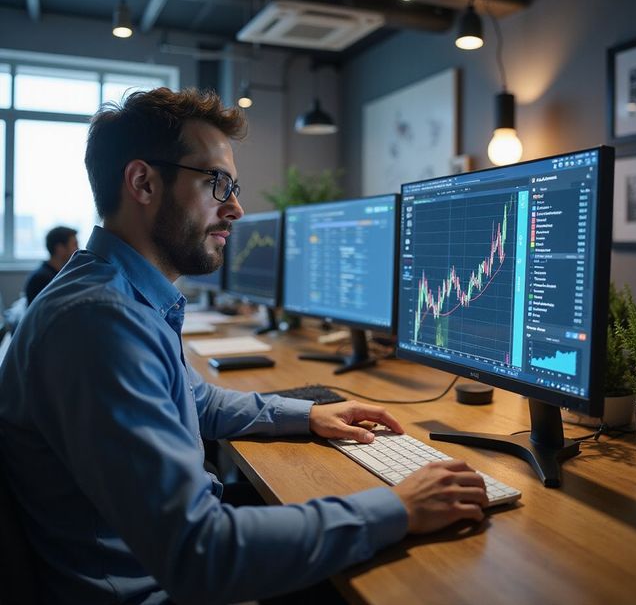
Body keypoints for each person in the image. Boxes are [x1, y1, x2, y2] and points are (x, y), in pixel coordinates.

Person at [0, 88, 488, 605]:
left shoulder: (116, 295)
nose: (236, 207)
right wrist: (400, 508)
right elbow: (201, 554)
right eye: (218, 183)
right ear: (143, 182)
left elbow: (195, 399)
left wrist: (308, 414)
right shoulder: (100, 322)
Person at [24, 226, 78, 305]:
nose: (78, 249)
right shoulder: (41, 279)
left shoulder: (58, 274)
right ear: (60, 248)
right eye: (74, 245)